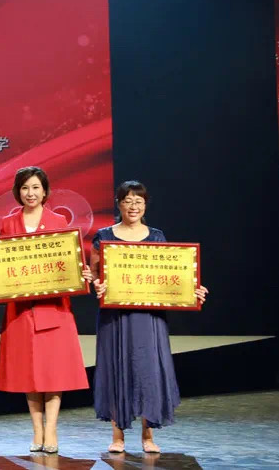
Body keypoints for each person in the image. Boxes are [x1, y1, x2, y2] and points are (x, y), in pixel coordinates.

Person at [88, 180, 209, 454]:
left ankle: (148, 435)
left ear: (145, 205)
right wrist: (97, 284)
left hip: (149, 316)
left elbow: (171, 275)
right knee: (116, 368)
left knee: (148, 371)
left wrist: (192, 291)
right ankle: (117, 436)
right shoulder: (104, 236)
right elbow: (94, 272)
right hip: (114, 316)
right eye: (127, 201)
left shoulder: (156, 236)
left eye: (138, 201)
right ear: (118, 204)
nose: (133, 206)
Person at [0, 166, 92, 454]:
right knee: (29, 373)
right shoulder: (8, 223)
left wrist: (81, 273)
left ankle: (52, 430)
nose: (30, 193)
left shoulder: (59, 221)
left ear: (45, 191)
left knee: (53, 373)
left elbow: (69, 264)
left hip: (54, 309)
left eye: (35, 187)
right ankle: (37, 431)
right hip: (20, 311)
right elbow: (2, 265)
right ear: (17, 192)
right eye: (24, 188)